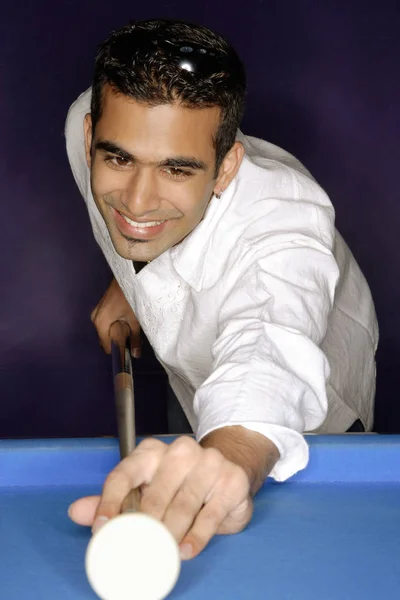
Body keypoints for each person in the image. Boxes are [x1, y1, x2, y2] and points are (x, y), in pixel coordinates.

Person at [65, 18, 378, 560]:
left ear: (227, 167)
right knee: (188, 450)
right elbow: (136, 222)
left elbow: (270, 345)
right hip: (192, 378)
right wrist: (131, 277)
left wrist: (231, 453)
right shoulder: (80, 127)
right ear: (92, 136)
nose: (137, 203)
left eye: (178, 170)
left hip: (304, 417)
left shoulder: (285, 223)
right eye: (119, 158)